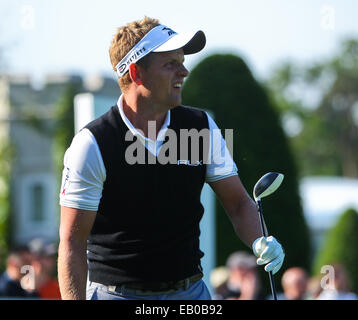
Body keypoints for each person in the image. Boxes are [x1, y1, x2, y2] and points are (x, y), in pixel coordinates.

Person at [58, 16, 285, 300]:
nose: (184, 72)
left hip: (191, 293)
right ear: (137, 73)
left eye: (182, 61)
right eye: (171, 64)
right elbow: (72, 243)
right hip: (115, 295)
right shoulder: (93, 143)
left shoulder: (201, 127)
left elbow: (238, 204)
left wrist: (259, 239)